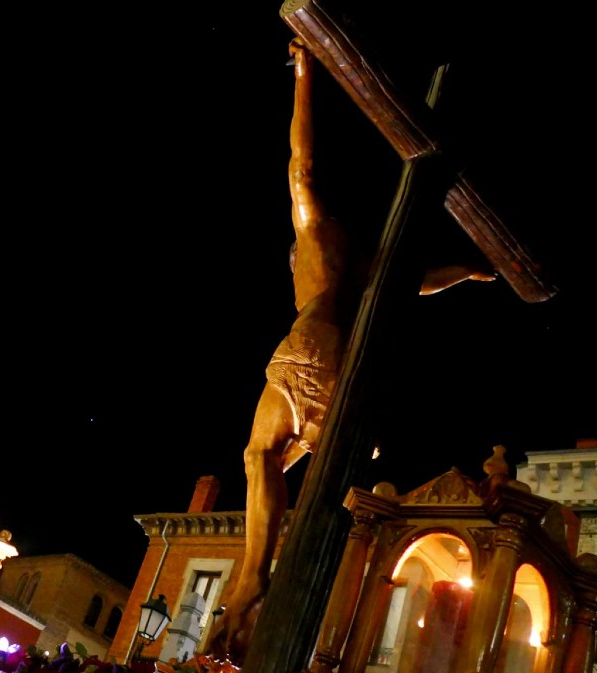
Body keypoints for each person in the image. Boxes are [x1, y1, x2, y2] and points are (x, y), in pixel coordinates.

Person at [202, 38, 496, 665]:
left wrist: (303, 73)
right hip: (349, 388)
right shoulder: (369, 271)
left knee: (261, 456)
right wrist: (468, 270)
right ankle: (264, 599)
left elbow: (300, 163)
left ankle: (253, 575)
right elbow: (421, 279)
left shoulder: (313, 243)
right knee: (288, 476)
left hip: (309, 353)